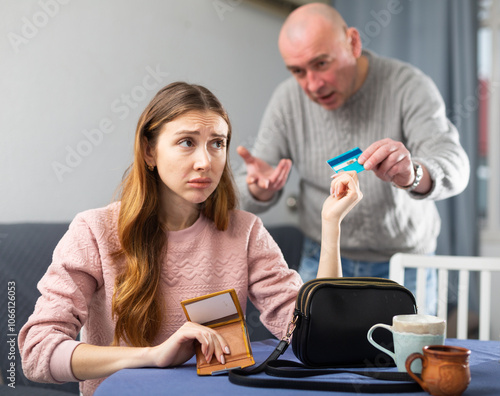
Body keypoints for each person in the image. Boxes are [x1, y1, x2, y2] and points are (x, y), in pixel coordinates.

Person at [18, 82, 362, 396]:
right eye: (187, 143)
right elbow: (38, 353)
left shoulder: (245, 232)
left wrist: (331, 225)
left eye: (217, 144)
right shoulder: (94, 231)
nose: (205, 162)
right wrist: (153, 356)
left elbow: (316, 338)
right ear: (150, 152)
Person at [236, 3, 470, 314]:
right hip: (320, 259)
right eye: (298, 71)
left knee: (407, 362)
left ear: (353, 43)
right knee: (316, 357)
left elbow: (456, 164)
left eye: (321, 63)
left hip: (406, 266)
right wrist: (257, 189)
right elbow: (243, 186)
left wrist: (413, 173)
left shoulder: (408, 85)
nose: (312, 85)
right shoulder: (287, 99)